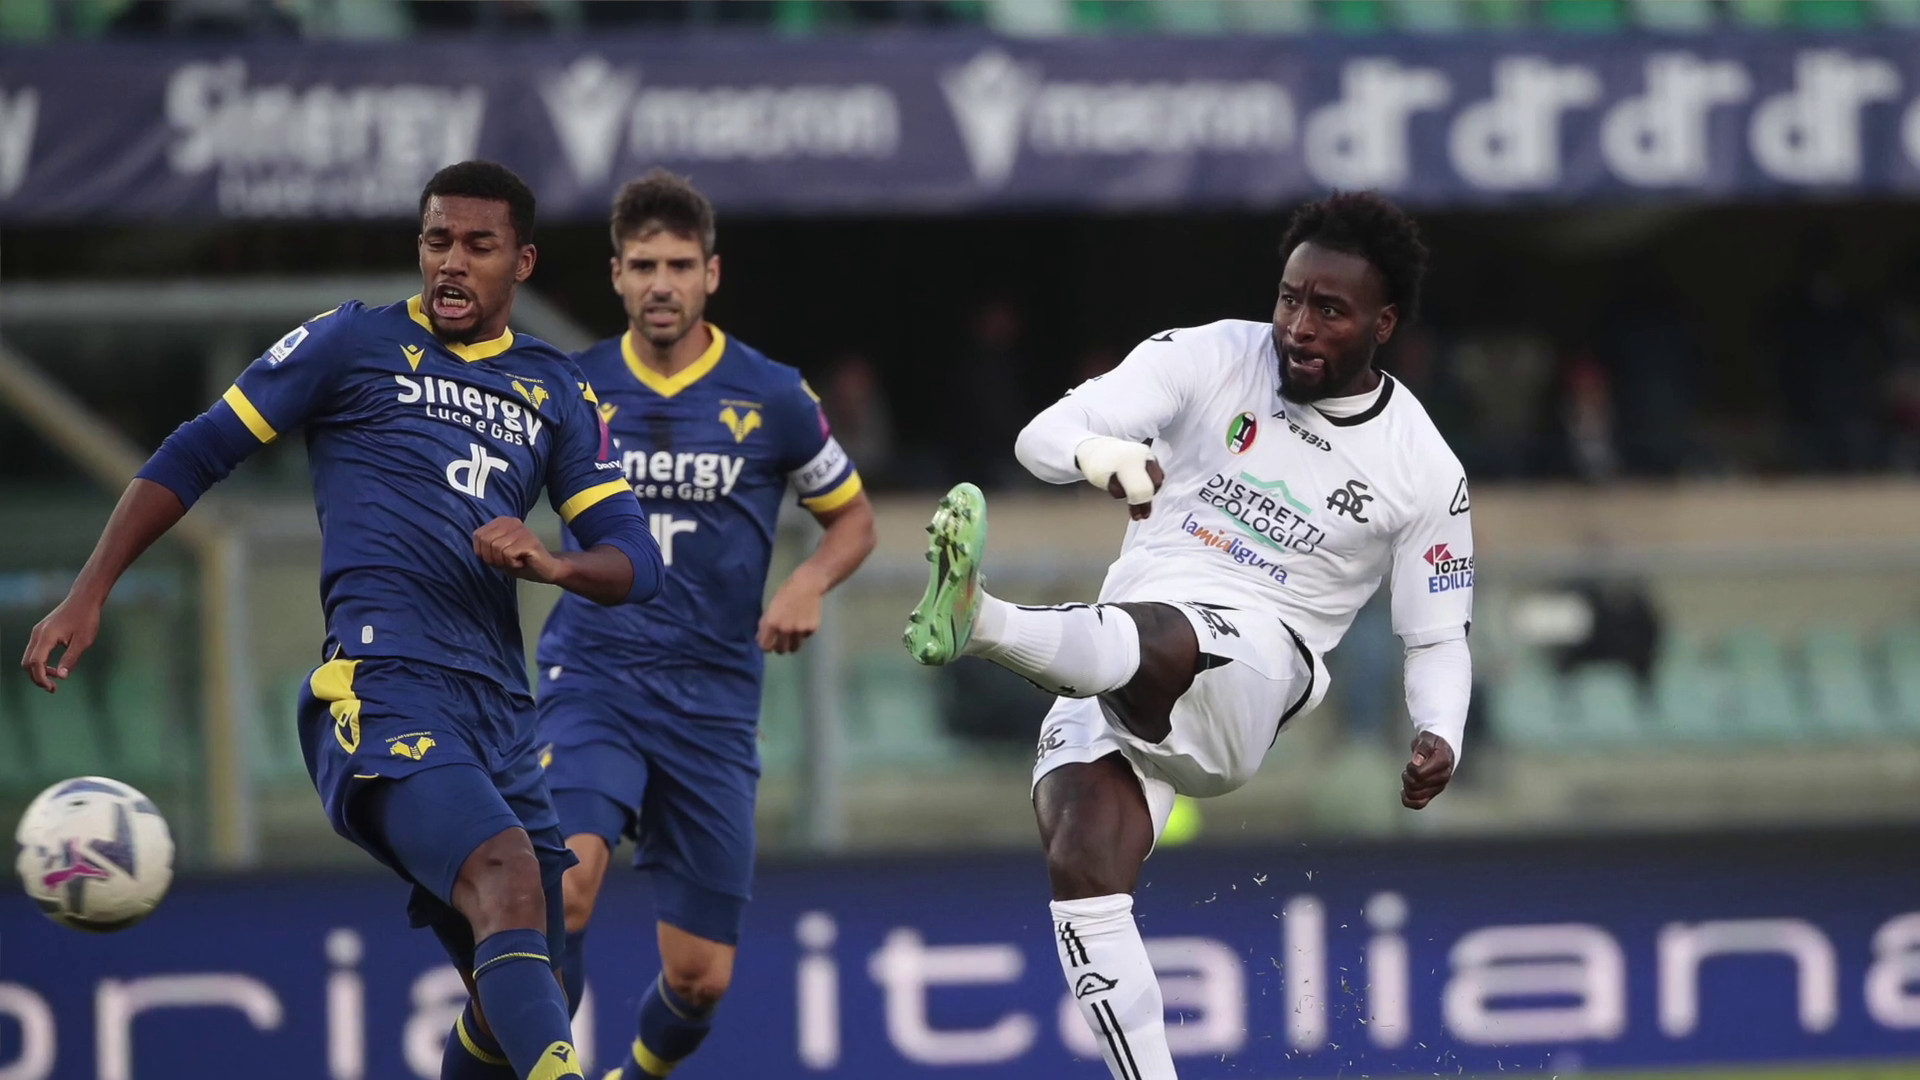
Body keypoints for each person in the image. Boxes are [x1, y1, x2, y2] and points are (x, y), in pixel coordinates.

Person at [20, 161, 663, 1080]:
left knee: (539, 986)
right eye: (437, 240)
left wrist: (555, 562)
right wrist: (91, 589)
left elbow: (635, 560)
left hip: (500, 714)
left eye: (478, 246)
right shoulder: (353, 342)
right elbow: (198, 450)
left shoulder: (556, 390)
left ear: (520, 263)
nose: (451, 262)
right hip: (381, 685)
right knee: (506, 874)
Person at [904, 191, 1473, 1080]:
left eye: (1330, 310)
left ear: (1383, 323)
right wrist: (1105, 456)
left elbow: (1437, 636)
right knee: (1081, 862)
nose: (1298, 326)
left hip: (1255, 671)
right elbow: (1043, 435)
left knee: (1165, 632)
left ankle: (983, 621)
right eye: (1290, 298)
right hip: (1114, 651)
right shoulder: (1210, 356)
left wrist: (1441, 729)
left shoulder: (1424, 466)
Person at [534, 168, 875, 1079]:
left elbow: (854, 520)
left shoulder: (773, 396)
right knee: (563, 890)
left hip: (713, 701)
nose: (662, 284)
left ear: (710, 275)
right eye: (643, 265)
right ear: (616, 274)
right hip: (594, 677)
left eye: (679, 265)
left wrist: (807, 582)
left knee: (699, 979)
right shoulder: (570, 388)